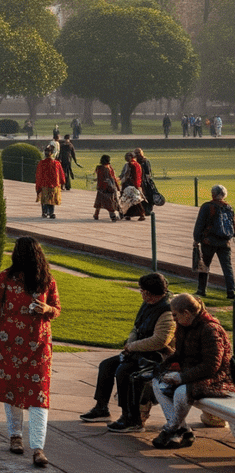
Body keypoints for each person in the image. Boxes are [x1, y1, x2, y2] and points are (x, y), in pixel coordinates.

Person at [0, 236, 61, 468]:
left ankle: (38, 447)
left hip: (38, 346)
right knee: (12, 389)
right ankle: (15, 435)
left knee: (39, 394)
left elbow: (56, 309)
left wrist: (46, 308)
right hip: (9, 344)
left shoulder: (46, 281)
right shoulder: (5, 279)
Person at [78, 272, 175, 432]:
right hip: (140, 352)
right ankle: (101, 407)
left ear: (150, 293)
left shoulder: (167, 311)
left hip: (158, 357)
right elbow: (136, 328)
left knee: (124, 371)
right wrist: (130, 343)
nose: (141, 293)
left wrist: (133, 346)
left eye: (142, 290)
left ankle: (131, 418)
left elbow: (160, 341)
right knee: (107, 365)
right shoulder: (148, 304)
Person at [150, 293, 233, 449]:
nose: (173, 319)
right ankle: (183, 430)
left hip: (216, 379)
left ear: (186, 313)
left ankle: (171, 429)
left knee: (181, 392)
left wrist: (182, 377)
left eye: (175, 315)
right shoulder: (183, 326)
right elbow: (180, 354)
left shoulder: (211, 329)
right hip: (192, 374)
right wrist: (162, 367)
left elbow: (211, 366)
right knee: (157, 382)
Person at [193, 184, 234, 299]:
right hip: (225, 242)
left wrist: (196, 239)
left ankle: (201, 290)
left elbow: (200, 224)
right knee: (227, 268)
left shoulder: (207, 206)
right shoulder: (228, 207)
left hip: (208, 242)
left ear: (213, 194)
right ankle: (231, 291)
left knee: (204, 266)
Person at [35, 144, 66, 219]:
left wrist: (38, 185)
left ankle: (44, 212)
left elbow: (38, 175)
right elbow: (61, 174)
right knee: (52, 199)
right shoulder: (57, 163)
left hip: (44, 184)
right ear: (52, 153)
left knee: (44, 199)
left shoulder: (41, 163)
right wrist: (62, 182)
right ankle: (51, 212)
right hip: (54, 185)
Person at [92, 154, 121, 221]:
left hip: (101, 187)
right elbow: (113, 178)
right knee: (110, 201)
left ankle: (96, 214)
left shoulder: (99, 168)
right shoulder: (109, 168)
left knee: (99, 201)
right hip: (108, 188)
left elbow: (99, 177)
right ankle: (112, 215)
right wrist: (117, 187)